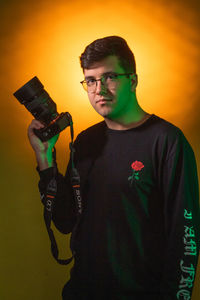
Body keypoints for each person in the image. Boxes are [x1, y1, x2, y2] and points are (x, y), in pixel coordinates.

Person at [28, 36, 200, 300]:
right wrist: (45, 157)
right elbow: (65, 221)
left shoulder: (167, 141)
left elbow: (185, 238)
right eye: (91, 80)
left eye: (110, 77)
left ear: (133, 80)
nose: (99, 89)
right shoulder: (85, 142)